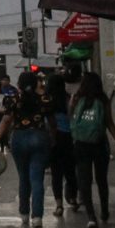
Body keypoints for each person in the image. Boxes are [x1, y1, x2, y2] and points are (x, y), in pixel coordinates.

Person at [0, 73, 52, 228]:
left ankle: (24, 213)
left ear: (19, 84)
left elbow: (6, 119)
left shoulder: (12, 99)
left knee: (23, 177)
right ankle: (37, 217)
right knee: (37, 178)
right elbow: (52, 122)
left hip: (19, 138)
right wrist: (52, 138)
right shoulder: (44, 99)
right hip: (39, 137)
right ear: (36, 84)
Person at [71, 71, 115, 228]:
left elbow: (71, 119)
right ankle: (105, 211)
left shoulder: (77, 98)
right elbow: (109, 123)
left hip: (81, 144)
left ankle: (91, 217)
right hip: (100, 144)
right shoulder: (102, 99)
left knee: (84, 181)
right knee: (101, 180)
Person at [45, 71, 79, 216]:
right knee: (70, 170)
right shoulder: (68, 99)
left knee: (56, 173)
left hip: (54, 139)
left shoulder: (47, 101)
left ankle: (59, 205)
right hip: (69, 138)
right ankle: (72, 198)